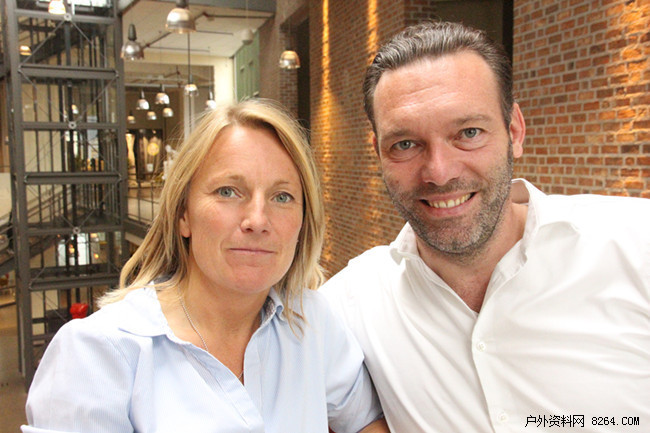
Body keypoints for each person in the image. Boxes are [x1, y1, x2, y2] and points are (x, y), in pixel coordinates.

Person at [321, 21, 650, 432]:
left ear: (514, 131)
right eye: (405, 144)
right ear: (378, 153)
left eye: (468, 133)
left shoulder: (637, 245)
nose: (439, 172)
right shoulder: (346, 308)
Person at [23, 99, 388, 433]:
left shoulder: (312, 322)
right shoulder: (97, 354)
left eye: (282, 196)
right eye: (228, 191)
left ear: (303, 221)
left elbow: (365, 421)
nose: (257, 220)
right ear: (183, 214)